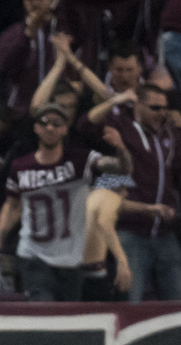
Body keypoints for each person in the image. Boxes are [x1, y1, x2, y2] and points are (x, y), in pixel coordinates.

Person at [0, 103, 132, 301]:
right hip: (33, 255)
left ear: (65, 129)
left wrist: (120, 148)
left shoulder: (81, 160)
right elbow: (12, 205)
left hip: (70, 260)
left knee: (67, 319)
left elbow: (122, 169)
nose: (50, 127)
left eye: (57, 123)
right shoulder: (20, 166)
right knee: (43, 309)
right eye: (45, 122)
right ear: (36, 128)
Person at [76, 84, 181, 301]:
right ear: (138, 106)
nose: (161, 113)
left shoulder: (170, 134)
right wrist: (114, 101)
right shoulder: (123, 127)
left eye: (164, 108)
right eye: (155, 108)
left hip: (165, 232)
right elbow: (85, 124)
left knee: (177, 303)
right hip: (130, 231)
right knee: (130, 302)